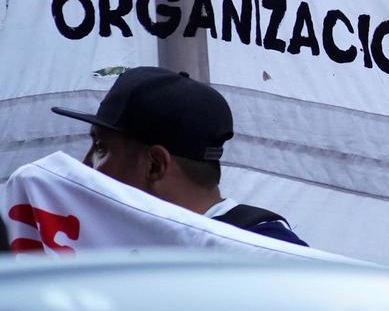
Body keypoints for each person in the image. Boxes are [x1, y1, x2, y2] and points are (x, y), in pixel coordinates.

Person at [53, 66, 307, 246]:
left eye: (100, 148)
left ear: (155, 165)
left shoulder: (266, 252)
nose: (85, 164)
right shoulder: (123, 241)